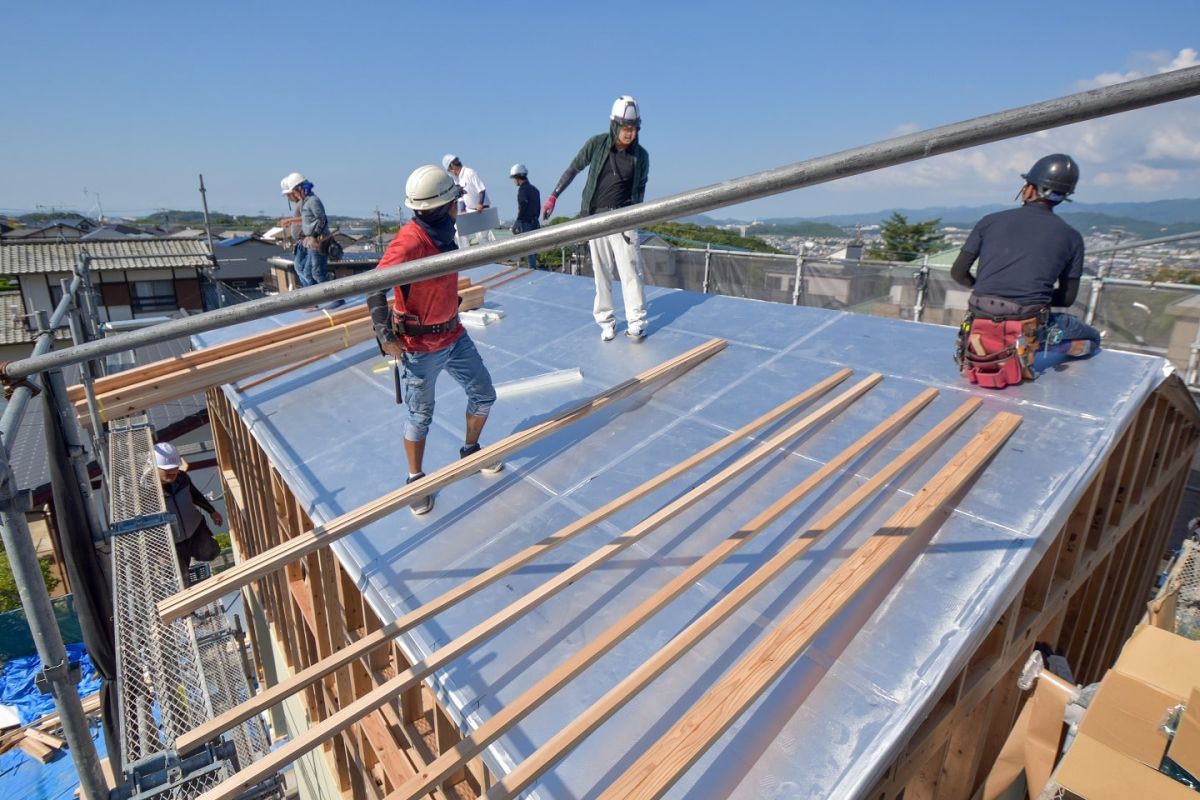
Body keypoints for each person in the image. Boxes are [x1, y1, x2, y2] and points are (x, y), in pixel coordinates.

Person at [366, 165, 503, 515]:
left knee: (484, 393)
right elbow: (373, 286)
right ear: (445, 206)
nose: (459, 206)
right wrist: (384, 335)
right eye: (456, 201)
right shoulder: (410, 241)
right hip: (420, 347)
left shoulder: (445, 233)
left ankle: (471, 451)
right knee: (420, 416)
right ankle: (417, 482)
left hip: (454, 334)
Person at [951, 153, 1101, 388]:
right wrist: (1030, 293)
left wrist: (986, 287)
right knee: (1092, 337)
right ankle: (1049, 346)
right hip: (1028, 321)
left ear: (1029, 188)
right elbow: (1067, 298)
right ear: (1063, 197)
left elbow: (958, 273)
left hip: (980, 317)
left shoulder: (990, 221)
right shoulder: (1072, 237)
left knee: (1003, 324)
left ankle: (1010, 344)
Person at [542, 95, 650, 341]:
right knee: (601, 272)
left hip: (624, 217)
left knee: (631, 270)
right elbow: (574, 168)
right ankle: (606, 320)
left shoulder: (641, 156)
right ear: (615, 125)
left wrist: (636, 215)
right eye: (625, 127)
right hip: (596, 217)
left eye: (633, 128)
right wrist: (553, 196)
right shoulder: (598, 144)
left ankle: (637, 320)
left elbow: (641, 188)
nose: (629, 133)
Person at [153, 442, 223, 579]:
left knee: (211, 553)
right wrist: (159, 547)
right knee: (177, 576)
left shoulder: (182, 478)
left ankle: (195, 553)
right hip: (172, 542)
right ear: (155, 468)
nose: (173, 472)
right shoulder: (148, 490)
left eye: (175, 468)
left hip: (194, 528)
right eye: (167, 470)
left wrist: (212, 511)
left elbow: (195, 494)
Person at [278, 171, 332, 287]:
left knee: (317, 273)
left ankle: (334, 298)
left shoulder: (313, 200)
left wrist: (313, 236)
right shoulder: (307, 201)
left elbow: (322, 219)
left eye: (294, 192)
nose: (295, 196)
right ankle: (318, 300)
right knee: (309, 272)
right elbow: (308, 219)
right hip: (311, 241)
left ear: (301, 189)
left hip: (318, 241)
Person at [509, 163, 540, 269]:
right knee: (534, 248)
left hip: (526, 223)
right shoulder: (535, 190)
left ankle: (531, 270)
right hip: (535, 222)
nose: (513, 181)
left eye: (513, 178)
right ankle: (533, 268)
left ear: (517, 177)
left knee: (528, 247)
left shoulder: (523, 190)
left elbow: (523, 205)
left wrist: (518, 220)